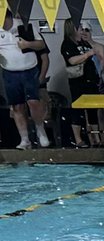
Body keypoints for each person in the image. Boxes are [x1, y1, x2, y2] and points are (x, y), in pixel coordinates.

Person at [0, 9, 51, 149]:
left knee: (33, 102)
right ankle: (24, 139)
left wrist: (28, 45)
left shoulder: (24, 25)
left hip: (29, 70)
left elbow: (41, 45)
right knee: (17, 106)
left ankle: (40, 129)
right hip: (9, 72)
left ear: (8, 18)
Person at [60, 19, 102, 147]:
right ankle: (78, 139)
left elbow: (94, 59)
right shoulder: (67, 44)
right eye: (79, 28)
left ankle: (96, 138)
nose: (82, 31)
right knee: (77, 110)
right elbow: (72, 60)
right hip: (78, 81)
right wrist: (87, 55)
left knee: (93, 110)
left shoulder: (85, 43)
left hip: (91, 80)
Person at [80, 22, 104, 92]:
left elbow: (102, 65)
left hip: (95, 79)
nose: (84, 33)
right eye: (82, 30)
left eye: (87, 30)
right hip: (81, 80)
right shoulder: (77, 47)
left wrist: (99, 78)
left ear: (90, 32)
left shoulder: (99, 47)